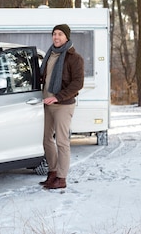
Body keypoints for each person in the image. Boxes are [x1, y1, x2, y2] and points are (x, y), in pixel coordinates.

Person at [39, 24, 84, 190]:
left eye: (60, 34)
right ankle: (52, 172)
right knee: (46, 139)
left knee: (62, 142)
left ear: (67, 37)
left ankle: (61, 178)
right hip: (47, 103)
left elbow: (78, 83)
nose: (56, 37)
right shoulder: (50, 54)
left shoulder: (74, 58)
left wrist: (57, 97)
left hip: (63, 105)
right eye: (54, 34)